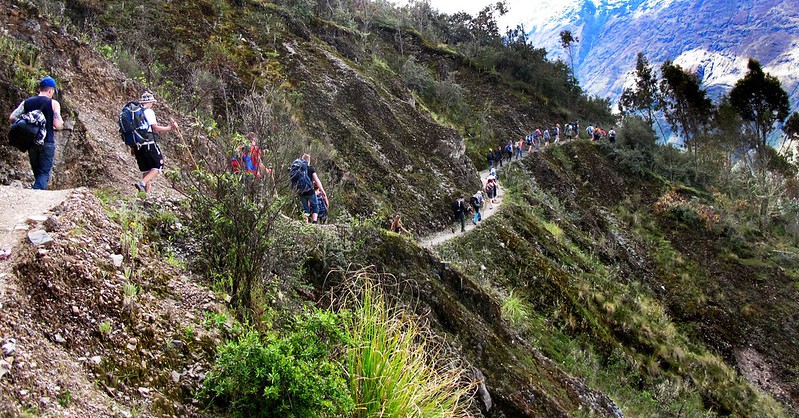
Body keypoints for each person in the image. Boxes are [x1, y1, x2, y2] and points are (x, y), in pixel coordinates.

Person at [8, 76, 64, 190]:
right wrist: (57, 124)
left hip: (32, 142)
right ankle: (36, 193)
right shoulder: (53, 103)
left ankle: (36, 192)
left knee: (38, 173)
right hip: (47, 143)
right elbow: (58, 125)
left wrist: (26, 124)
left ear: (40, 88)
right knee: (43, 173)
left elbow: (12, 117)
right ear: (51, 90)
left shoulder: (27, 102)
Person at [133, 92, 178, 193]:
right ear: (150, 102)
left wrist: (132, 147)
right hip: (148, 143)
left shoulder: (135, 112)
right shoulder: (148, 111)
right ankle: (142, 183)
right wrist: (171, 128)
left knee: (146, 170)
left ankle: (145, 195)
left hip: (137, 145)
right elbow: (155, 128)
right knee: (157, 166)